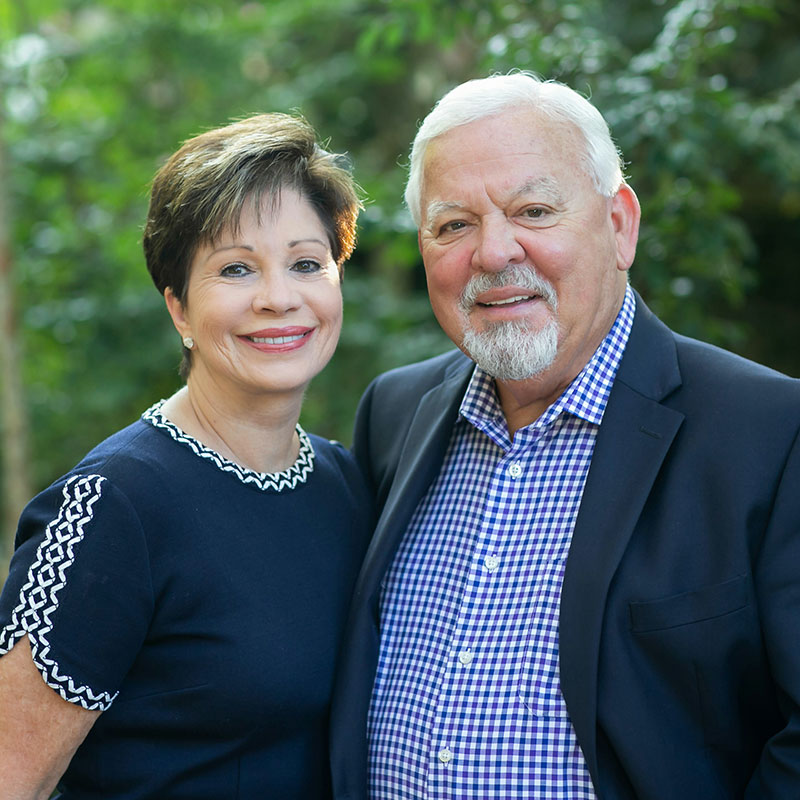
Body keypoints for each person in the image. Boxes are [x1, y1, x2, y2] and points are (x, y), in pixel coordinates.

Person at [329, 72, 800, 799]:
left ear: (619, 225)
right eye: (453, 224)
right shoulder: (394, 415)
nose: (493, 253)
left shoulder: (769, 435)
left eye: (534, 210)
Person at [0, 112, 372, 799]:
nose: (279, 298)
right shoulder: (113, 508)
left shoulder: (349, 487)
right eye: (236, 268)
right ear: (178, 307)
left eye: (306, 263)